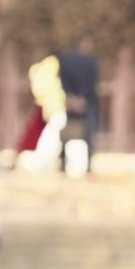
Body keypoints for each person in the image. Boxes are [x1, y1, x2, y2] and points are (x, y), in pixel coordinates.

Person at [57, 39, 101, 174]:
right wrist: (82, 98)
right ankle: (88, 164)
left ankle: (63, 163)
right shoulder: (91, 61)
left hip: (70, 101)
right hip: (87, 102)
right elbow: (92, 81)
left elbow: (62, 79)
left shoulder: (65, 60)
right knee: (89, 133)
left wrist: (70, 96)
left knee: (67, 132)